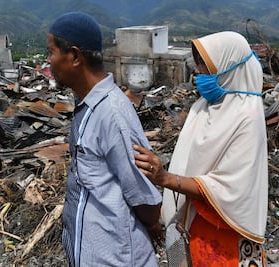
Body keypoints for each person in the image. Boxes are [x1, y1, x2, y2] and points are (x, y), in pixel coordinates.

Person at [134, 31, 268, 266]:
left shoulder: (246, 116)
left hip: (226, 236)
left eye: (204, 66)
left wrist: (165, 178)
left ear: (228, 68)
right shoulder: (203, 107)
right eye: (197, 64)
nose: (197, 72)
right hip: (193, 225)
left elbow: (229, 187)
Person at [47, 12, 162, 266]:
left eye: (51, 52)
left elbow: (146, 202)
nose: (48, 61)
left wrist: (152, 227)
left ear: (75, 56)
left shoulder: (112, 114)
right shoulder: (87, 106)